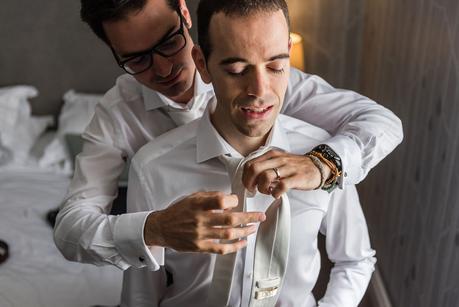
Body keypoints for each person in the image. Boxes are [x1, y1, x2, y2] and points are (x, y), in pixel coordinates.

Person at [54, 0, 401, 270]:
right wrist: (154, 229)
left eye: (168, 43)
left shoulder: (267, 84)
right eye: (137, 59)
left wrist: (323, 164)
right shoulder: (117, 113)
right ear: (116, 54)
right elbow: (71, 228)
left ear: (184, 14)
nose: (163, 68)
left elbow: (381, 123)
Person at [124, 0, 376, 305]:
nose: (260, 90)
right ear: (202, 64)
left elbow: (355, 260)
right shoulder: (152, 168)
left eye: (275, 66)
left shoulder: (324, 157)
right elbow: (141, 294)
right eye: (236, 70)